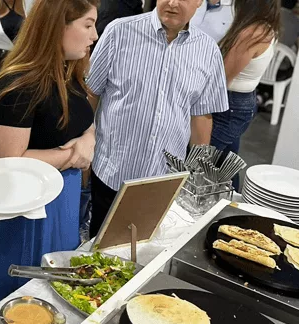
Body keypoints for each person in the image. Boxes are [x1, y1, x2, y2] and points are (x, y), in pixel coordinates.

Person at [0, 0, 98, 309]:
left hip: (63, 197)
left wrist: (87, 138)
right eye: (87, 25)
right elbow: (9, 161)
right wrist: (72, 155)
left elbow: (83, 119)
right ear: (58, 27)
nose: (94, 35)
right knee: (21, 296)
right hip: (27, 206)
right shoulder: (19, 83)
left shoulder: (68, 70)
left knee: (57, 290)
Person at [86, 0, 229, 239]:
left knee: (145, 252)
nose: (172, 3)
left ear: (198, 2)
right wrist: (85, 146)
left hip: (163, 180)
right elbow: (91, 93)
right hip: (113, 169)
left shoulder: (208, 51)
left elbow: (201, 116)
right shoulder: (119, 32)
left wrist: (198, 172)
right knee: (100, 248)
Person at [210, 0, 280, 189]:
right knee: (225, 166)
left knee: (199, 161)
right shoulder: (264, 28)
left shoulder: (251, 32)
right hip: (238, 102)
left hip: (229, 104)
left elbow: (222, 78)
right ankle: (232, 208)